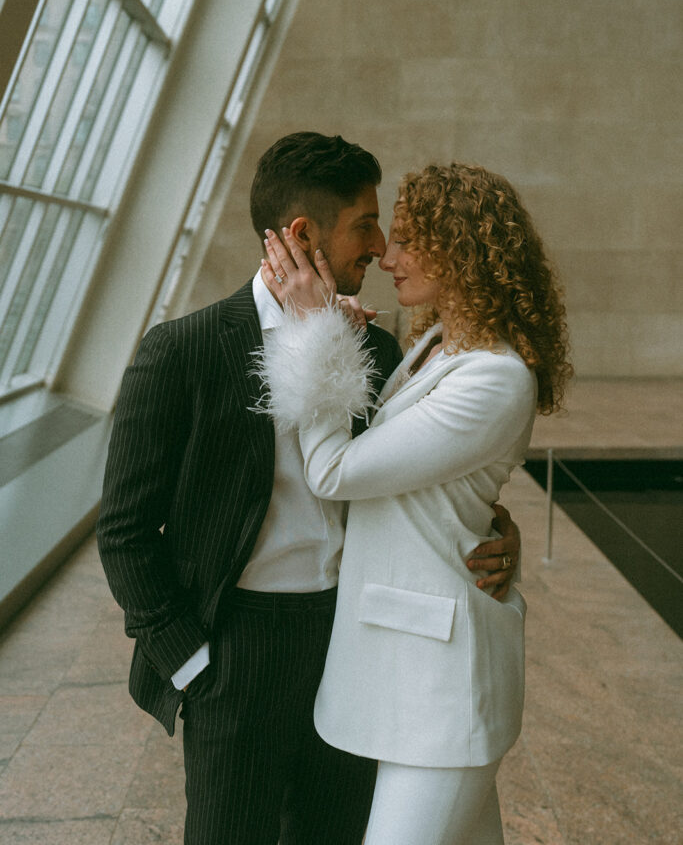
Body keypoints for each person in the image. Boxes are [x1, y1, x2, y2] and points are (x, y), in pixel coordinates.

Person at [96, 134, 522, 845]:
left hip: (352, 639)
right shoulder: (185, 351)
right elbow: (124, 532)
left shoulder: (377, 349)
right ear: (301, 235)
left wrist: (492, 524)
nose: (380, 246)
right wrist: (193, 662)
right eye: (364, 223)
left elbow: (422, 467)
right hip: (234, 648)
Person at [258, 161, 572, 845]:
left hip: (444, 690)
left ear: (458, 248)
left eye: (405, 240)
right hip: (407, 676)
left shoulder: (495, 378)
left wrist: (313, 331)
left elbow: (336, 470)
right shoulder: (431, 344)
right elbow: (430, 487)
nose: (386, 256)